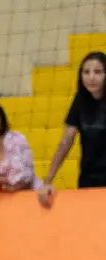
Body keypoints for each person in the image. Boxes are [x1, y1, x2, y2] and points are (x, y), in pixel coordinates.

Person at [38, 51, 106, 207]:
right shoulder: (80, 100)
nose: (91, 77)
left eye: (98, 72)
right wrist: (48, 180)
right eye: (86, 72)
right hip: (89, 177)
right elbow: (66, 141)